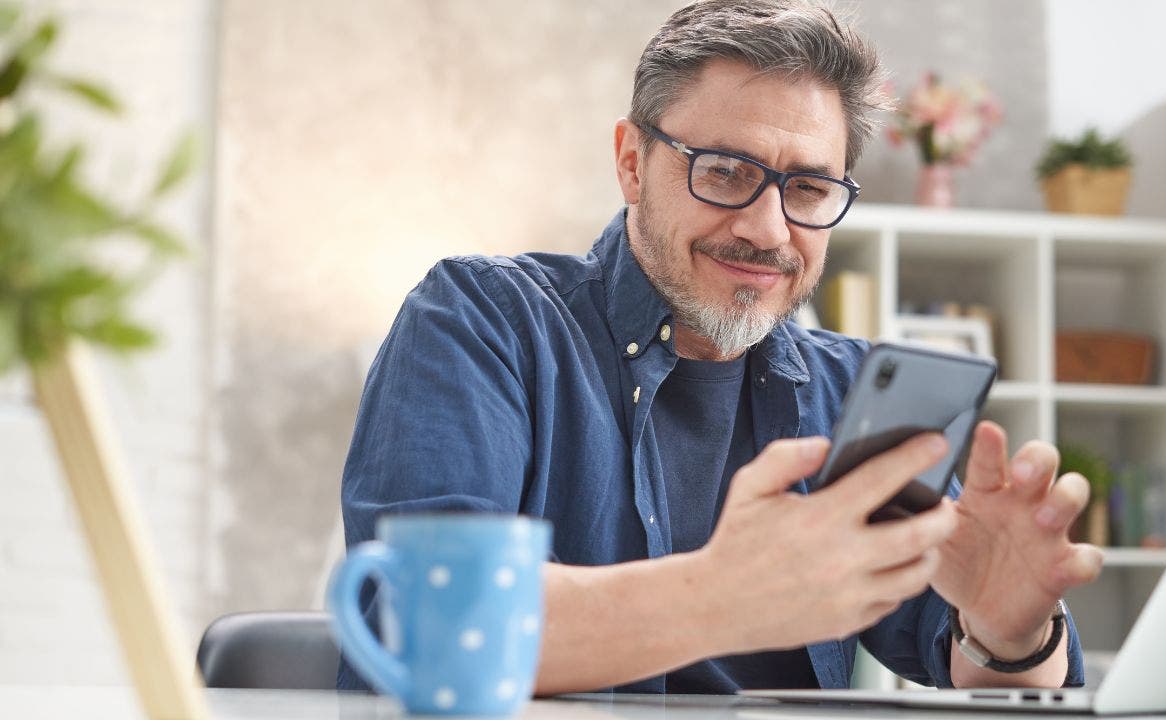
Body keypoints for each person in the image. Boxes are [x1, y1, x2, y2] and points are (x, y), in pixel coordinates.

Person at [338, 0, 1103, 695]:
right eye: (727, 172)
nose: (768, 230)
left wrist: (1010, 630)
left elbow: (969, 662)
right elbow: (430, 627)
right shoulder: (484, 321)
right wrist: (725, 595)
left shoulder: (848, 391)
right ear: (632, 163)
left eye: (807, 190)